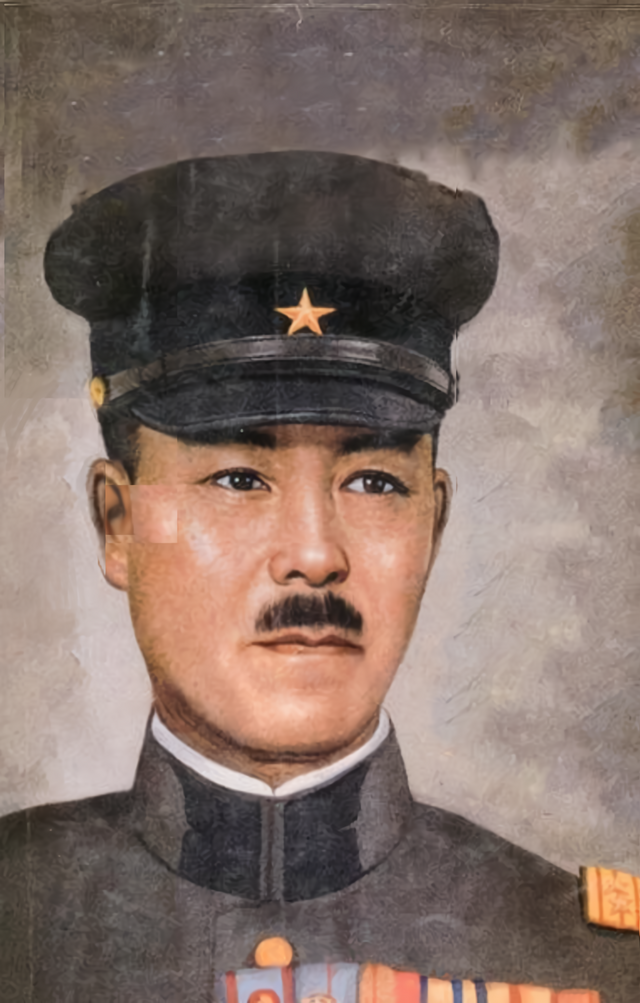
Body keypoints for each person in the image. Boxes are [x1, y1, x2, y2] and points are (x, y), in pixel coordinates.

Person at [0, 152, 637, 1002]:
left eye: (373, 482)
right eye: (238, 478)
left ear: (434, 522)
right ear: (117, 522)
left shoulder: (592, 960)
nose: (314, 553)